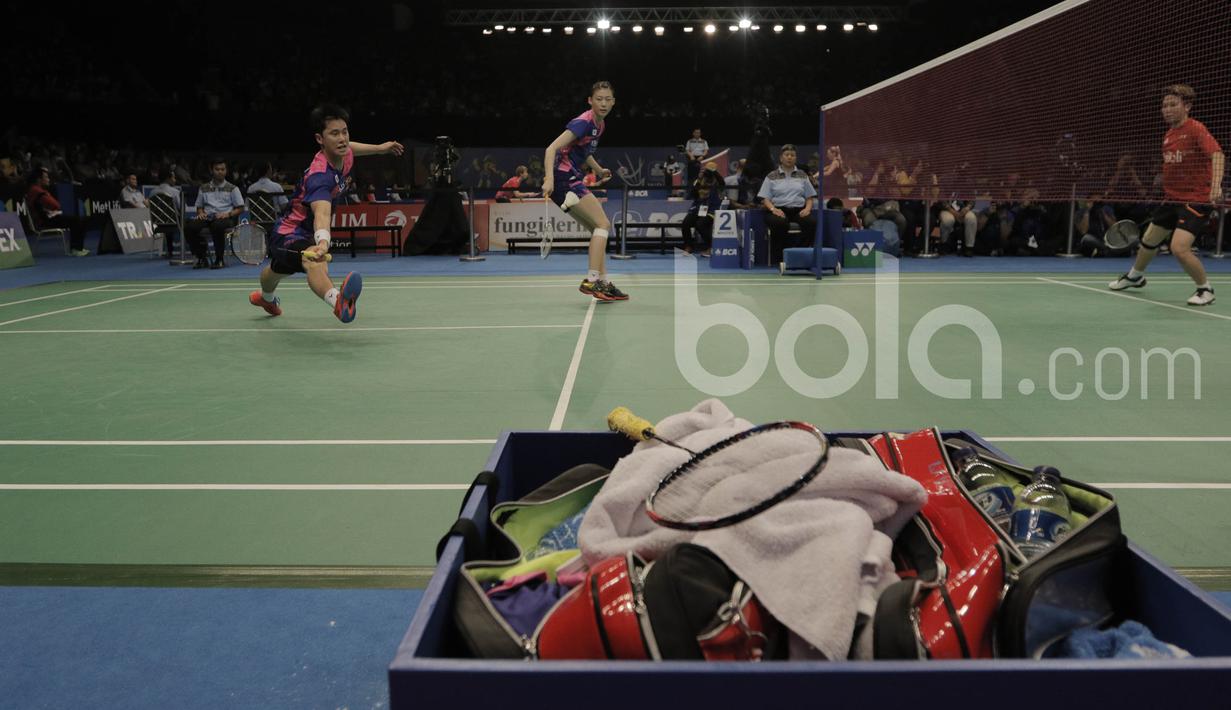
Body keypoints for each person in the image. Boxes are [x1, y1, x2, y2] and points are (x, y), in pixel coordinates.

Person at [249, 103, 404, 323]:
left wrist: (381, 148)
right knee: (315, 260)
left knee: (276, 270)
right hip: (289, 233)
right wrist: (323, 242)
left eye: (344, 132)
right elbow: (322, 212)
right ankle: (338, 301)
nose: (342, 139)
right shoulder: (319, 175)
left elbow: (352, 148)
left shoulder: (345, 153)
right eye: (334, 134)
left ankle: (266, 299)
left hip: (306, 232)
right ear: (320, 139)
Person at [1109, 84, 1224, 305]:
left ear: (1187, 106)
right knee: (1149, 240)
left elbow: (1217, 155)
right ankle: (1135, 276)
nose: (1167, 109)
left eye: (1173, 104)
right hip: (1172, 199)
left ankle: (1205, 289)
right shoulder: (1169, 135)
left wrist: (1216, 186)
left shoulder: (1196, 129)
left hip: (1195, 200)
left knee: (1179, 248)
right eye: (1164, 105)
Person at [541, 81, 628, 302]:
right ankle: (591, 280)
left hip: (569, 178)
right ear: (590, 100)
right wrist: (549, 179)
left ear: (614, 102)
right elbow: (551, 148)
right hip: (563, 179)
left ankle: (604, 284)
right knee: (603, 224)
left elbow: (583, 151)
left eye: (608, 99)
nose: (604, 103)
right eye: (599, 99)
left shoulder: (600, 125)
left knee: (597, 229)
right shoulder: (583, 122)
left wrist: (598, 170)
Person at [757, 144, 818, 263]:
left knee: (811, 222)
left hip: (798, 209)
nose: (789, 157)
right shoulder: (771, 176)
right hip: (778, 209)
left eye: (792, 155)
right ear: (781, 158)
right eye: (787, 155)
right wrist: (773, 209)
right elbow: (765, 198)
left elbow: (809, 197)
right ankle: (781, 257)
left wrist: (808, 209)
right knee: (779, 223)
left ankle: (800, 255)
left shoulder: (802, 175)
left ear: (795, 158)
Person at [185, 158, 245, 269]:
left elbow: (240, 208)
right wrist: (201, 213)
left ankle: (219, 259)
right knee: (189, 227)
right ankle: (201, 257)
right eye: (217, 169)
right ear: (211, 170)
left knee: (217, 226)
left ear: (226, 171)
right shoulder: (203, 188)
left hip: (225, 217)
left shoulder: (233, 188)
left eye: (222, 169)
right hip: (207, 217)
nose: (220, 172)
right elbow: (199, 207)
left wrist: (228, 214)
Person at [24, 166, 90, 256]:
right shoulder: (36, 190)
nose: (48, 179)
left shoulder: (35, 189)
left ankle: (78, 248)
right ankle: (76, 249)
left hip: (47, 218)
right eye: (46, 177)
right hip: (43, 222)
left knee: (79, 219)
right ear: (39, 180)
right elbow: (56, 205)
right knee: (76, 220)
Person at [681, 161, 724, 256]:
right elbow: (692, 194)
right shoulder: (699, 180)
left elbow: (722, 182)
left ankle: (712, 247)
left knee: (700, 224)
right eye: (706, 169)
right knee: (686, 223)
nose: (707, 172)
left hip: (712, 209)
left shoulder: (717, 181)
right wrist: (699, 179)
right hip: (698, 208)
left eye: (710, 169)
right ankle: (689, 246)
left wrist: (714, 172)